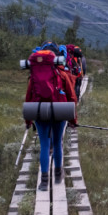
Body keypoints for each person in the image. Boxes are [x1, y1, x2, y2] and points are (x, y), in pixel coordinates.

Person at [24, 45, 77, 190]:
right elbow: (72, 97)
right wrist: (73, 120)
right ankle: (58, 174)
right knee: (57, 143)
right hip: (59, 111)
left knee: (44, 146)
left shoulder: (33, 78)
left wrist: (28, 121)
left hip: (40, 112)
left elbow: (28, 98)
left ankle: (44, 181)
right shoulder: (62, 74)